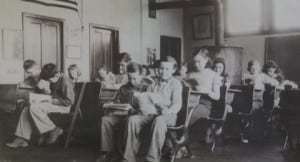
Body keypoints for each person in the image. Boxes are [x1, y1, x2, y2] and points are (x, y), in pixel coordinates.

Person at [122, 56, 182, 162]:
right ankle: (128, 158)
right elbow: (148, 98)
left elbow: (177, 104)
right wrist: (142, 103)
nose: (163, 72)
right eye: (161, 68)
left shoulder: (176, 84)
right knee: (132, 120)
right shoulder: (153, 83)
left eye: (167, 69)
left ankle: (152, 159)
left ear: (173, 70)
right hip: (152, 112)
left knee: (159, 120)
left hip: (168, 114)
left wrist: (168, 110)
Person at [6, 63, 75, 148]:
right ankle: (22, 138)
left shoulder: (65, 80)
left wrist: (50, 100)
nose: (49, 82)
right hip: (52, 103)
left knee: (34, 108)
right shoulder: (53, 78)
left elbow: (69, 101)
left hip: (63, 106)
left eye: (50, 80)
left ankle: (53, 129)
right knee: (27, 108)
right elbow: (51, 94)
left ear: (57, 75)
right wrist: (45, 92)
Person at [97, 62, 148, 162]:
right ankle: (107, 152)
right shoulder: (124, 88)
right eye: (129, 78)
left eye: (134, 78)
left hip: (137, 117)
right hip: (122, 115)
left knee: (130, 120)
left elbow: (147, 109)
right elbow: (117, 101)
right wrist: (112, 104)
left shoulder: (146, 88)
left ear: (141, 75)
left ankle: (127, 155)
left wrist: (134, 110)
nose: (132, 81)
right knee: (106, 120)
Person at [184, 48, 222, 143]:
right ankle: (178, 142)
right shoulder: (190, 74)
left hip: (204, 105)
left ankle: (182, 142)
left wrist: (206, 91)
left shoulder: (213, 75)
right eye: (194, 61)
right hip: (188, 102)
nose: (196, 64)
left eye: (199, 61)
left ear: (206, 60)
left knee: (186, 116)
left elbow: (217, 97)